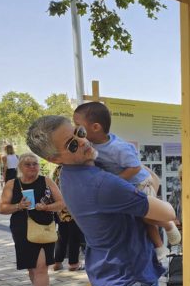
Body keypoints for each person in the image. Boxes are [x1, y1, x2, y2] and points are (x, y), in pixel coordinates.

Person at [26, 115, 176, 286]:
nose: (83, 141)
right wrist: (150, 182)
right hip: (132, 280)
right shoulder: (102, 183)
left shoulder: (72, 177)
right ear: (55, 159)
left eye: (79, 132)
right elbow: (166, 212)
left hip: (109, 277)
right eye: (72, 144)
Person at [73, 101, 180, 259]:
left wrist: (116, 181)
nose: (75, 130)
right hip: (129, 185)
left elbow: (135, 168)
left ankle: (167, 224)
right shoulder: (91, 143)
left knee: (147, 215)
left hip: (141, 183)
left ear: (96, 127)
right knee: (142, 217)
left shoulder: (118, 147)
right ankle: (160, 247)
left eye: (78, 126)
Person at [0, 152, 66, 286]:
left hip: (44, 228)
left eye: (35, 163)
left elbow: (62, 203)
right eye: (28, 164)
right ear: (20, 167)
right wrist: (18, 206)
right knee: (32, 267)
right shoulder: (12, 184)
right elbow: (1, 208)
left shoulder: (46, 181)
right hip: (21, 229)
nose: (33, 167)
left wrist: (46, 207)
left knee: (41, 267)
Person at [51, 165, 84, 271]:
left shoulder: (58, 169)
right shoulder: (76, 168)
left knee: (62, 235)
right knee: (74, 236)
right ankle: (73, 263)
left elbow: (53, 186)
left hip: (61, 208)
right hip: (75, 207)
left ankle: (57, 262)